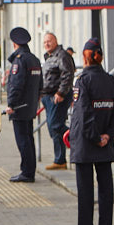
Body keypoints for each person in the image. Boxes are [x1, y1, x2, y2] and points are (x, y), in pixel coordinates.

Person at [66, 38, 114, 225]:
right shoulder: (111, 81)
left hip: (85, 143)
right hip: (105, 143)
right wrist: (108, 135)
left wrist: (95, 137)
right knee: (106, 188)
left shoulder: (82, 82)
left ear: (85, 58)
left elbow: (83, 113)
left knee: (85, 188)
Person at [5, 26, 42, 182]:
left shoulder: (19, 61)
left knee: (23, 141)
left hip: (19, 108)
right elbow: (40, 84)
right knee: (28, 139)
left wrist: (11, 104)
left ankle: (26, 172)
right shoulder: (34, 59)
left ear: (14, 43)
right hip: (30, 106)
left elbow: (16, 85)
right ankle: (29, 170)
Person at [40, 32, 76, 170]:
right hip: (48, 97)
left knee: (55, 125)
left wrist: (61, 92)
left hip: (58, 96)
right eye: (45, 42)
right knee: (53, 128)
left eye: (49, 41)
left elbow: (68, 74)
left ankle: (78, 138)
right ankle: (60, 160)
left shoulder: (62, 55)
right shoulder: (48, 57)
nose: (47, 44)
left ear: (55, 41)